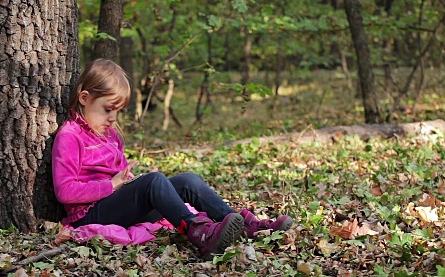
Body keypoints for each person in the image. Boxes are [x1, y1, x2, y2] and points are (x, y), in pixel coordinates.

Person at [51, 59, 292, 260]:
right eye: (107, 109)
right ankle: (200, 234)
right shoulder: (70, 136)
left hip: (116, 204)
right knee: (154, 181)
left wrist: (131, 181)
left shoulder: (110, 134)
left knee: (186, 180)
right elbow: (65, 191)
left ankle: (244, 226)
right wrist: (113, 185)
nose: (113, 118)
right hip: (89, 213)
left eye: (117, 111)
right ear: (84, 98)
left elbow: (121, 178)